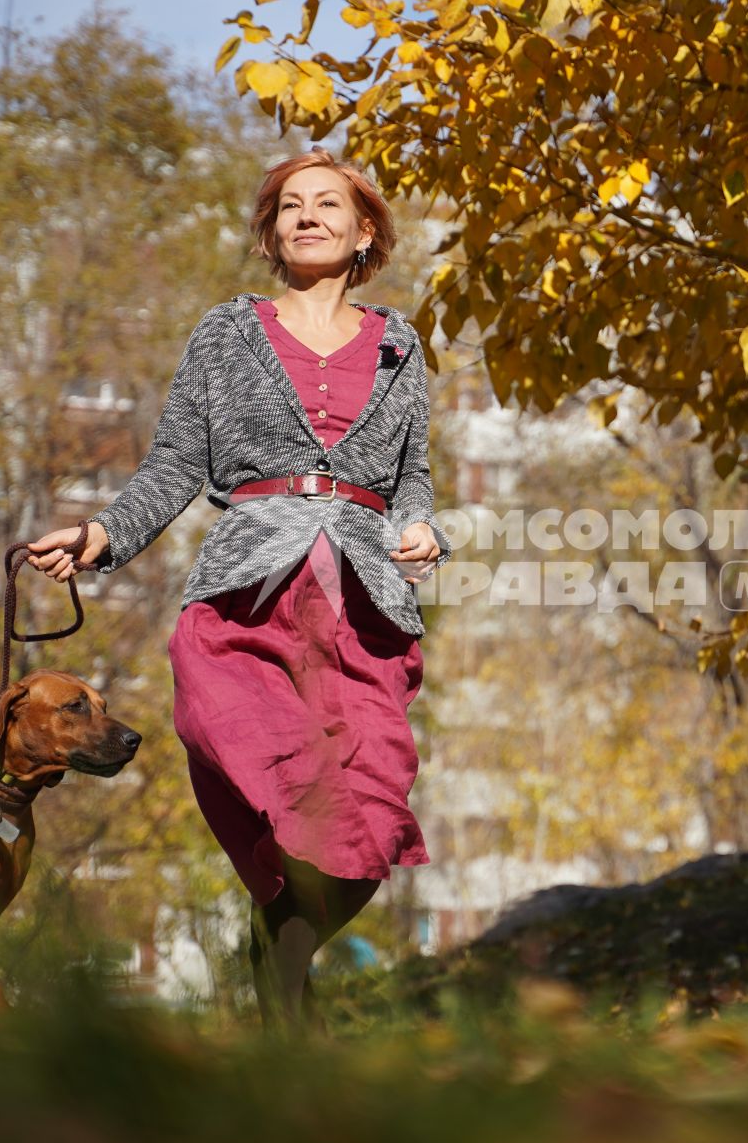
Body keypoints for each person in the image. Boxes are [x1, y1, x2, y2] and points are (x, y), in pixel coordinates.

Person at [25, 149, 454, 1029]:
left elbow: (415, 475)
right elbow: (179, 458)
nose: (306, 216)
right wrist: (103, 534)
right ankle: (287, 1014)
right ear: (270, 232)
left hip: (365, 603)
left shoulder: (402, 344)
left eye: (327, 204)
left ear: (364, 229)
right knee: (273, 765)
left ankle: (278, 949)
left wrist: (422, 527)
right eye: (289, 205)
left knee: (369, 816)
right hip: (248, 591)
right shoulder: (227, 331)